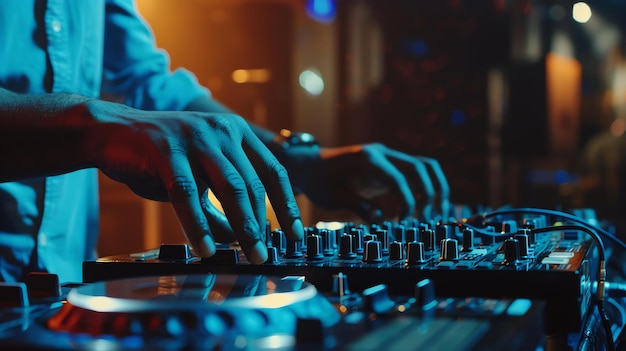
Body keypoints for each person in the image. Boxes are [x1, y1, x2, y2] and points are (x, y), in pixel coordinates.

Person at [0, 0, 449, 283]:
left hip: (66, 289)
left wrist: (300, 159)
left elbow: (146, 83)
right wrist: (93, 126)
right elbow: (125, 109)